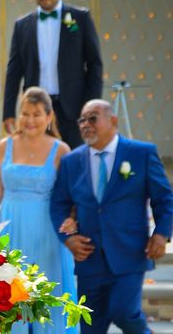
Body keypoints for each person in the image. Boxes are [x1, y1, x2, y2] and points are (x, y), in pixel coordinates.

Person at [51, 100, 173, 334]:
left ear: (113, 121)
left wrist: (161, 233)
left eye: (93, 118)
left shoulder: (141, 153)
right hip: (89, 258)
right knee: (90, 327)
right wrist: (68, 238)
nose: (86, 124)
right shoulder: (71, 161)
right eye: (82, 120)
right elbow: (58, 204)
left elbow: (164, 198)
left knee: (124, 312)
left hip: (129, 254)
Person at [0, 87, 76, 334]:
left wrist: (73, 222)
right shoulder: (5, 146)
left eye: (36, 114)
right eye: (25, 113)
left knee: (46, 299)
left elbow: (71, 198)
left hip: (46, 233)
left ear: (49, 117)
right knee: (10, 297)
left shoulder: (61, 150)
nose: (30, 120)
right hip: (10, 230)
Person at [2, 0, 103, 149]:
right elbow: (14, 71)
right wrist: (8, 112)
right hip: (36, 110)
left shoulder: (80, 18)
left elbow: (95, 64)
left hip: (73, 108)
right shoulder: (23, 25)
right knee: (39, 159)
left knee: (73, 161)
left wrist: (90, 107)